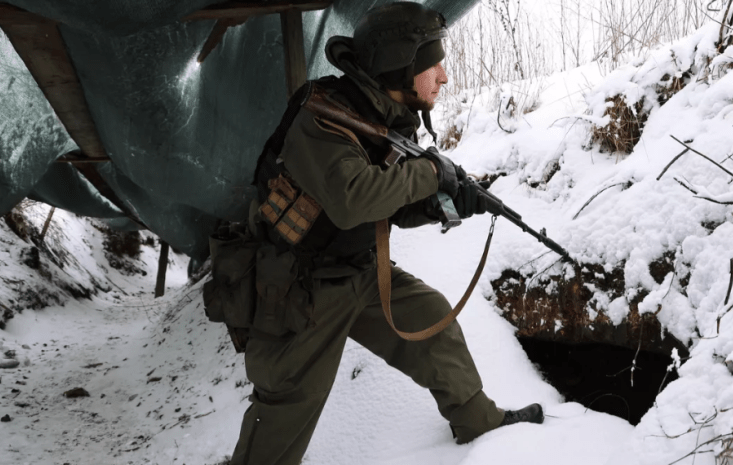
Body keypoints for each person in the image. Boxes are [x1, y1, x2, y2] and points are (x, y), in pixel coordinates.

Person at [230, 3, 543, 463]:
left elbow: (392, 205)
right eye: (432, 64)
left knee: (432, 321)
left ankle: (479, 423)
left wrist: (452, 202)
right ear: (400, 66)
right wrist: (432, 174)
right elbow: (353, 197)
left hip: (360, 270)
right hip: (305, 286)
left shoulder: (387, 117)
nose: (443, 76)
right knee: (289, 401)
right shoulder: (323, 115)